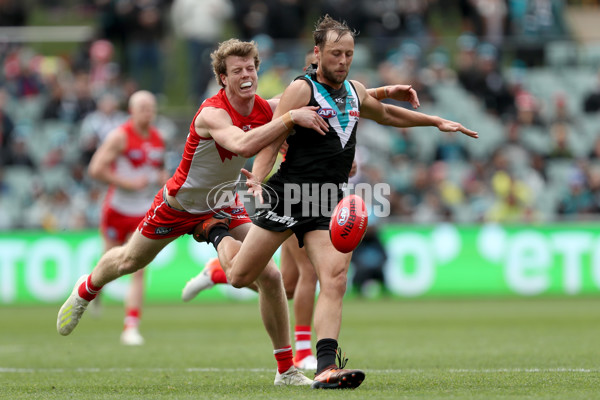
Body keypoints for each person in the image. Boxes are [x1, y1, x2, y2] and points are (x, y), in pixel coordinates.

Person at [192, 15, 477, 390]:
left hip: (327, 201)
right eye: (336, 53)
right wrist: (258, 179)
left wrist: (436, 121)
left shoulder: (356, 91)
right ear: (317, 53)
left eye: (349, 54)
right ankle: (216, 233)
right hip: (288, 195)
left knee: (335, 278)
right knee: (241, 276)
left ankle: (325, 366)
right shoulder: (300, 90)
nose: (343, 60)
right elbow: (275, 137)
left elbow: (387, 113)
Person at [56, 38, 330, 387]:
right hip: (178, 205)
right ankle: (86, 290)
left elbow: (342, 100)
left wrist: (381, 94)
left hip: (222, 202)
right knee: (128, 262)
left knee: (272, 278)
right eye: (237, 71)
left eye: (250, 68)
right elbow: (244, 144)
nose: (246, 75)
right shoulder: (212, 113)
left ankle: (286, 370)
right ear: (222, 78)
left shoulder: (266, 108)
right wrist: (291, 117)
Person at [181, 51, 421, 371]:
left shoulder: (333, 96)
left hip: (315, 196)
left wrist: (385, 91)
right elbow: (267, 127)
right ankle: (305, 351)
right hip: (290, 197)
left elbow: (355, 100)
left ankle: (218, 271)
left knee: (289, 286)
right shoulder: (292, 99)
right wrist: (260, 175)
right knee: (309, 274)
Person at [87, 90, 167, 345]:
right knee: (108, 262)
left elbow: (159, 170)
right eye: (143, 107)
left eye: (151, 107)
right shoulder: (120, 136)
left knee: (138, 267)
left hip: (143, 212)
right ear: (131, 110)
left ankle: (131, 326)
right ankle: (94, 293)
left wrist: (162, 180)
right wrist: (127, 183)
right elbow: (96, 169)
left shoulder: (157, 139)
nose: (148, 112)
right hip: (117, 210)